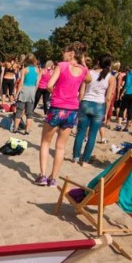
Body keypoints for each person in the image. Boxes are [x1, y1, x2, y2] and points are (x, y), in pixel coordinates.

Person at [36, 42, 91, 187]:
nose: (62, 55)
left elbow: (49, 85)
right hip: (72, 110)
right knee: (60, 147)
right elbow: (89, 79)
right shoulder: (83, 70)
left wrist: (56, 94)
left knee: (45, 142)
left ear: (71, 53)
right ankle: (53, 178)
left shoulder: (62, 66)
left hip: (57, 107)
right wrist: (83, 61)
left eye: (64, 52)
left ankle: (42, 175)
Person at [72, 54, 116, 166]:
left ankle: (75, 157)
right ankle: (85, 160)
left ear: (98, 61)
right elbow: (109, 97)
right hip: (99, 105)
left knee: (80, 132)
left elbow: (82, 91)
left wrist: (78, 103)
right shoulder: (111, 78)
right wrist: (106, 113)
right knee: (92, 134)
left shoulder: (89, 73)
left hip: (86, 102)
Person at [13, 54, 40, 135]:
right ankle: (27, 130)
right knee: (29, 113)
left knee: (19, 111)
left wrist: (17, 93)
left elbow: (21, 84)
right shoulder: (37, 70)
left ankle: (15, 128)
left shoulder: (24, 70)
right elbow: (37, 83)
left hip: (24, 90)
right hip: (32, 90)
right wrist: (34, 92)